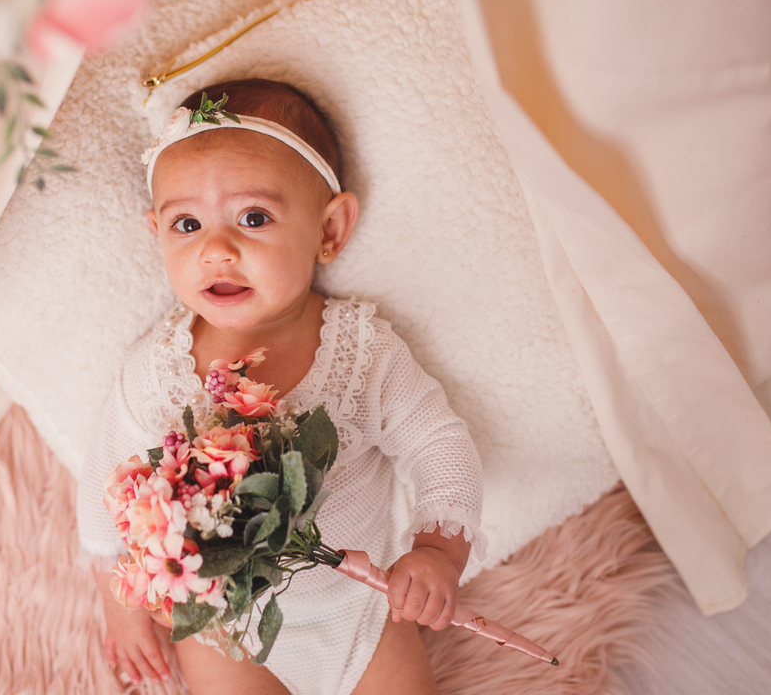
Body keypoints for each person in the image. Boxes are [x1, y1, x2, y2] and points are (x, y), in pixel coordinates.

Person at [75, 79, 487, 695]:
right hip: (225, 622)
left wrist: (437, 553)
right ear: (155, 232)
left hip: (362, 608)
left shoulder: (360, 353)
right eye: (187, 223)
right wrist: (121, 602)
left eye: (253, 218)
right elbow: (108, 489)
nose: (216, 249)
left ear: (329, 230)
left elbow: (438, 443)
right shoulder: (157, 372)